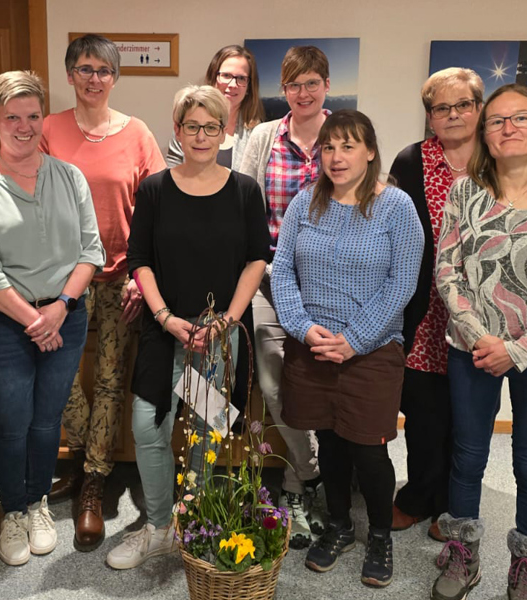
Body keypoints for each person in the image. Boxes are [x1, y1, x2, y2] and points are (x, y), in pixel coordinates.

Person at [431, 83, 527, 600]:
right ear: (486, 133)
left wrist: (517, 350)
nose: (507, 128)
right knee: (468, 455)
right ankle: (463, 555)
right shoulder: (464, 193)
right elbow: (447, 270)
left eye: (520, 118)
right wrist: (482, 339)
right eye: (496, 121)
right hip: (471, 350)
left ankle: (526, 564)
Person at [106, 85, 270, 570]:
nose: (201, 135)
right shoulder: (156, 189)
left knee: (204, 430)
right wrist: (163, 316)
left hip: (215, 340)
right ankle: (158, 527)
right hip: (166, 330)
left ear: (226, 131)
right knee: (147, 428)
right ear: (177, 130)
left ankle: (191, 521)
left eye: (212, 126)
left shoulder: (243, 190)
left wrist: (229, 320)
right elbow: (139, 259)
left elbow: (256, 259)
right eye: (192, 126)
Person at [0, 71, 104, 567]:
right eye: (12, 117)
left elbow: (91, 250)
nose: (24, 126)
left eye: (33, 116)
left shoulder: (69, 177)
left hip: (66, 313)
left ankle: (39, 501)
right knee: (12, 421)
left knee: (47, 421)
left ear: (44, 119)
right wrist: (32, 320)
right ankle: (13, 509)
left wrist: (60, 308)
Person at [272, 110, 423, 587]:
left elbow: (402, 284)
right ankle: (338, 525)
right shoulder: (304, 204)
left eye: (349, 146)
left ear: (371, 152)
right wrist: (300, 325)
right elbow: (281, 272)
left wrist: (354, 340)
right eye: (329, 147)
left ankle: (379, 535)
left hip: (373, 349)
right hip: (312, 345)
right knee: (330, 443)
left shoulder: (396, 207)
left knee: (369, 450)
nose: (337, 157)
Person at [39, 34, 166, 552]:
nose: (94, 78)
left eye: (104, 70)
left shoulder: (137, 134)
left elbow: (156, 211)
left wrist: (144, 275)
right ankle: (86, 453)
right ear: (70, 75)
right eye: (85, 68)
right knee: (60, 376)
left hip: (118, 278)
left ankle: (93, 479)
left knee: (112, 379)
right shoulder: (47, 130)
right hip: (60, 282)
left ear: (116, 78)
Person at [239, 45, 332, 548]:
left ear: (326, 86)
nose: (302, 92)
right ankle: (309, 473)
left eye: (311, 82)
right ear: (284, 89)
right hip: (272, 279)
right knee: (275, 383)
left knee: (323, 378)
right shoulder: (262, 136)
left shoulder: (343, 133)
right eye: (294, 84)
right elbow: (246, 203)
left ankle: (302, 485)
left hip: (330, 282)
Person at [388, 67, 485, 543]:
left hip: (484, 313)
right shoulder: (411, 161)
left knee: (468, 414)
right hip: (426, 310)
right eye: (441, 108)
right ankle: (418, 495)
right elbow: (392, 230)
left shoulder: (500, 160)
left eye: (462, 105)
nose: (452, 115)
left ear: (478, 108)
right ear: (429, 117)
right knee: (424, 413)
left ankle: (454, 503)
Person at [165, 44, 264, 171]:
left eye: (241, 78)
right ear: (213, 78)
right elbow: (172, 172)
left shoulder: (257, 133)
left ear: (249, 86)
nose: (233, 84)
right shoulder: (188, 123)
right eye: (226, 76)